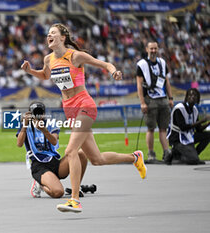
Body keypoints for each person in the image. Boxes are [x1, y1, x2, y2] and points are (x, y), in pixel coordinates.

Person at [21, 23, 146, 213]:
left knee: (71, 151)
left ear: (63, 37)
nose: (49, 36)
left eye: (53, 33)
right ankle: (134, 157)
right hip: (70, 111)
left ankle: (75, 200)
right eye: (47, 34)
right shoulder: (48, 59)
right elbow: (45, 76)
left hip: (84, 106)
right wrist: (30, 71)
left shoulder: (75, 56)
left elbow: (104, 64)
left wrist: (113, 71)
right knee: (96, 159)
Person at [16, 101, 88, 198]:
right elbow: (19, 144)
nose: (38, 115)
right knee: (58, 192)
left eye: (40, 112)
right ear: (30, 113)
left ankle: (76, 187)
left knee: (81, 154)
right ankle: (40, 183)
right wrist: (24, 126)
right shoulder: (25, 124)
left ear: (44, 113)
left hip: (55, 162)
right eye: (35, 112)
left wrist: (44, 130)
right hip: (39, 165)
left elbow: (54, 141)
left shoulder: (50, 123)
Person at [136, 41, 174, 162]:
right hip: (150, 100)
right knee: (151, 128)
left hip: (162, 99)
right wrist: (142, 102)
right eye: (151, 48)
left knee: (163, 128)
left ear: (158, 49)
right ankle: (151, 153)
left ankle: (166, 152)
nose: (153, 51)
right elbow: (139, 85)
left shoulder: (162, 62)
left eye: (155, 48)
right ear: (147, 49)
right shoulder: (141, 64)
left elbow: (166, 81)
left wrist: (171, 97)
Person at [166, 88, 210, 165]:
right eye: (190, 95)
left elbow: (199, 129)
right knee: (193, 160)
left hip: (188, 136)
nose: (192, 96)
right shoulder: (179, 108)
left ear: (197, 99)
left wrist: (208, 123)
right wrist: (202, 120)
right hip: (177, 138)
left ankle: (194, 155)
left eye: (195, 95)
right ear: (186, 97)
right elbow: (183, 127)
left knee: (208, 135)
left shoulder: (194, 110)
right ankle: (173, 153)